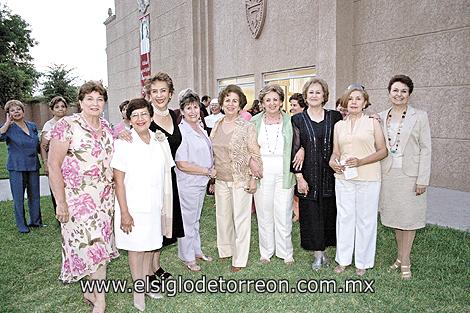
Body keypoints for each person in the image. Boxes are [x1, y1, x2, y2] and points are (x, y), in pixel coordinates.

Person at [48, 81, 118, 312]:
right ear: (80, 102)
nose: (95, 103)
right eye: (89, 99)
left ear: (104, 103)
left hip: (105, 198)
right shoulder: (67, 125)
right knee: (89, 246)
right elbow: (53, 165)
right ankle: (100, 300)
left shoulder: (108, 126)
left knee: (98, 246)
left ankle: (92, 292)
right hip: (78, 199)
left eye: (99, 99)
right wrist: (61, 202)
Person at [112, 98, 173, 310]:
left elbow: (166, 174)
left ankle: (147, 286)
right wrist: (125, 212)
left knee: (150, 246)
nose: (140, 119)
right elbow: (118, 181)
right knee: (136, 250)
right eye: (135, 115)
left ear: (151, 116)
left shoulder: (159, 141)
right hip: (133, 207)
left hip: (154, 206)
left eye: (144, 114)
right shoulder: (124, 143)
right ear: (129, 119)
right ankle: (138, 293)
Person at [329, 87, 387, 276]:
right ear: (345, 103)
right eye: (350, 99)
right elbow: (337, 151)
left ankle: (363, 262)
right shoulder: (339, 126)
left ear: (364, 103)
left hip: (369, 177)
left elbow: (382, 151)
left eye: (358, 99)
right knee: (345, 218)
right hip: (344, 177)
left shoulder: (372, 123)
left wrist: (361, 161)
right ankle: (343, 260)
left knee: (366, 220)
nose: (354, 102)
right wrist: (332, 161)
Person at [378, 75, 431, 280]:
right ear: (389, 92)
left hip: (411, 175)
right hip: (389, 174)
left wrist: (422, 179)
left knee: (409, 219)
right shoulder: (381, 116)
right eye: (395, 90)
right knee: (396, 218)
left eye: (403, 91)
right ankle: (400, 257)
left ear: (409, 94)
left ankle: (406, 261)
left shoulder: (420, 116)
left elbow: (426, 149)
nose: (399, 94)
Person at [291, 78, 342, 271]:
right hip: (308, 176)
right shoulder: (297, 119)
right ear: (306, 96)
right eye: (310, 92)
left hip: (331, 175)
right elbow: (294, 149)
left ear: (324, 96)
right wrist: (299, 177)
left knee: (329, 214)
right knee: (312, 215)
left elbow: (346, 135)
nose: (314, 95)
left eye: (318, 92)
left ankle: (326, 251)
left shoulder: (335, 117)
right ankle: (317, 255)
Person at [210, 84, 262, 272]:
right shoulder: (217, 124)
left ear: (240, 104)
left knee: (241, 220)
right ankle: (226, 250)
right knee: (223, 217)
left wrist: (253, 179)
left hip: (240, 179)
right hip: (221, 179)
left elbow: (255, 154)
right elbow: (215, 153)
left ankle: (239, 259)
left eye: (235, 101)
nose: (230, 104)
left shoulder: (247, 126)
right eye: (227, 100)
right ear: (222, 103)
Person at [144, 72, 185, 280]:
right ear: (149, 94)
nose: (159, 95)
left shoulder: (175, 115)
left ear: (170, 94)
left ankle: (157, 266)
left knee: (164, 225)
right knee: (152, 224)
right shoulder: (145, 117)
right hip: (151, 181)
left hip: (170, 179)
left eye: (163, 91)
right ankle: (147, 272)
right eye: (154, 91)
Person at [251, 84, 296, 265]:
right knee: (264, 212)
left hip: (284, 172)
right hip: (262, 173)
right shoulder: (253, 122)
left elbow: (299, 143)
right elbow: (246, 148)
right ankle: (266, 252)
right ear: (262, 103)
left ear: (281, 102)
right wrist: (252, 165)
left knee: (284, 212)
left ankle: (286, 253)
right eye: (268, 100)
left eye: (275, 99)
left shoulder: (291, 121)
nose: (272, 103)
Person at [175, 89, 216, 272]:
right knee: (187, 222)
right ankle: (187, 257)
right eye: (188, 108)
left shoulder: (200, 127)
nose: (192, 111)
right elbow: (182, 164)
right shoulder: (181, 131)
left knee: (195, 220)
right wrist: (207, 171)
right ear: (182, 111)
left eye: (195, 107)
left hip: (201, 182)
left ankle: (196, 250)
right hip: (188, 183)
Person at [0, 100, 43, 233]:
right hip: (17, 167)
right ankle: (22, 225)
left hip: (33, 165)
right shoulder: (8, 128)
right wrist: (7, 123)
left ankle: (36, 221)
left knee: (34, 195)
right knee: (19, 198)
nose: (16, 112)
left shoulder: (32, 126)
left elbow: (37, 145)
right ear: (9, 114)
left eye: (18, 109)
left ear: (23, 111)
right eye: (12, 110)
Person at [40, 96, 68, 212]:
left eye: (62, 106)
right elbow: (43, 146)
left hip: (68, 161)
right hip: (55, 161)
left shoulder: (70, 122)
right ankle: (59, 213)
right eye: (57, 107)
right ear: (51, 110)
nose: (60, 109)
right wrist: (46, 163)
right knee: (56, 188)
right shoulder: (49, 125)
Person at [288, 92, 307, 222]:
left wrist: (302, 148)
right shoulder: (292, 120)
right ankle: (297, 213)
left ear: (302, 106)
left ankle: (301, 213)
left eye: (294, 105)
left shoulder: (305, 121)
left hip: (303, 161)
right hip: (293, 159)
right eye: (291, 105)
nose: (292, 107)